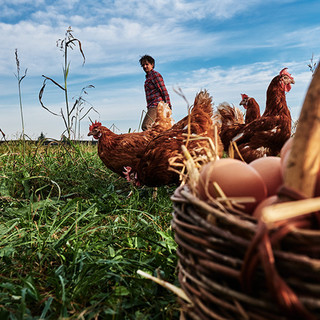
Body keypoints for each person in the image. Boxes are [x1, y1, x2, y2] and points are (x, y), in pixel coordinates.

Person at [139, 55, 172, 131]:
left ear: (152, 65)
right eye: (143, 65)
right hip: (151, 106)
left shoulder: (155, 75)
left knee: (146, 126)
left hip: (157, 105)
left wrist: (168, 105)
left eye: (147, 64)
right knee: (156, 128)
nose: (145, 66)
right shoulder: (148, 78)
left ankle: (151, 143)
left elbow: (163, 90)